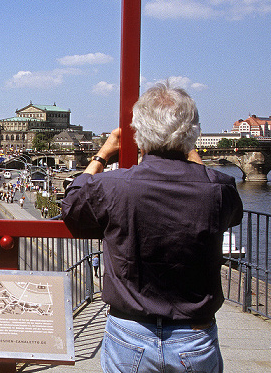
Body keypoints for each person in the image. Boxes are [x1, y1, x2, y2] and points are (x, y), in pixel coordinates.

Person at [61, 82, 243, 373]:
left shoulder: (114, 186)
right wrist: (191, 153)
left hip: (130, 330)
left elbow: (71, 205)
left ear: (139, 134)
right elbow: (230, 214)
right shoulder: (218, 189)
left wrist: (103, 154)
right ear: (191, 133)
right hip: (193, 334)